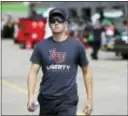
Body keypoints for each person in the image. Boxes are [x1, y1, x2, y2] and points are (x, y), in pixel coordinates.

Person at [27, 8, 93, 116]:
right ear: (49, 24)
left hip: (68, 100)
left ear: (66, 23)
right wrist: (30, 96)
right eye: (53, 20)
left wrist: (89, 100)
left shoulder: (77, 46)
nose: (56, 22)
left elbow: (87, 72)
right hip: (46, 99)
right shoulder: (41, 46)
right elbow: (33, 72)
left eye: (59, 19)